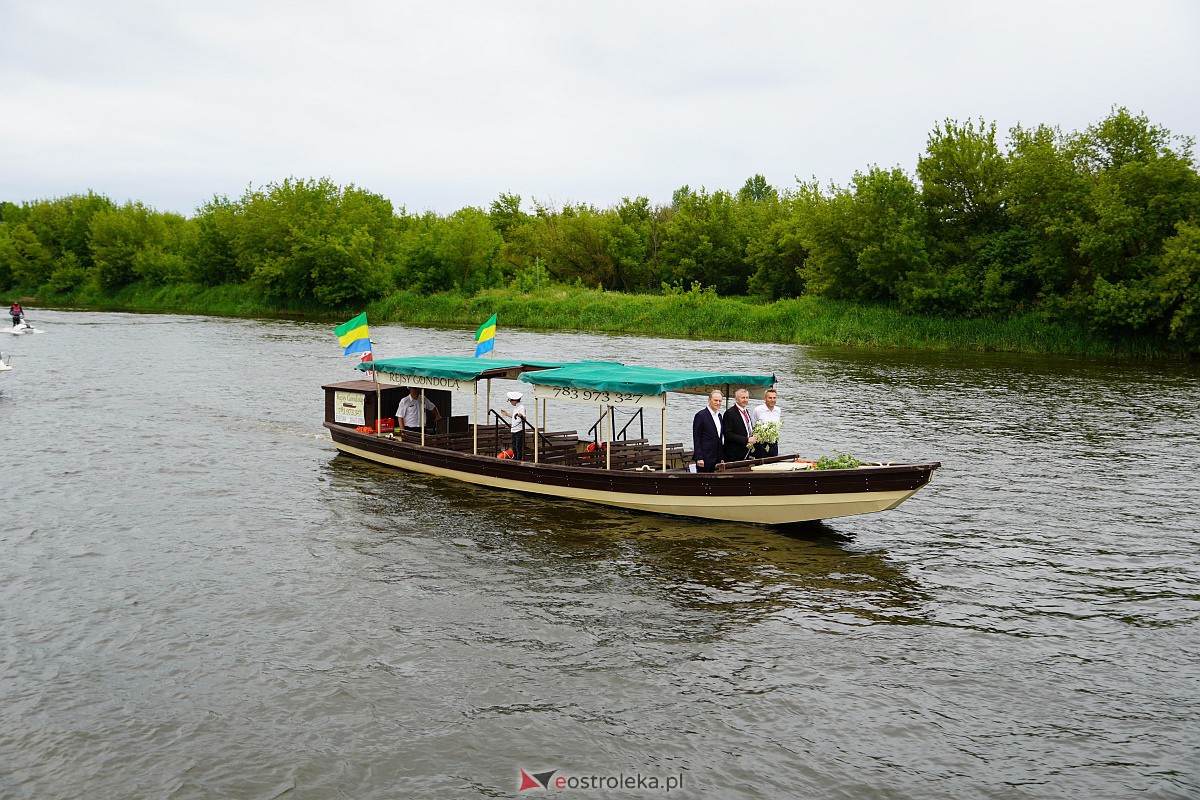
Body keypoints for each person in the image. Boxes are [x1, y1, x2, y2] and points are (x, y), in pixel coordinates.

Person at [691, 389, 724, 473]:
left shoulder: (719, 416)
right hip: (705, 458)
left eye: (720, 401)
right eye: (715, 400)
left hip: (716, 457)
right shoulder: (700, 415)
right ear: (709, 400)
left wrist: (721, 457)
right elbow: (697, 438)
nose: (718, 403)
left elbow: (719, 438)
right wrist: (699, 457)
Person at [722, 388, 758, 463]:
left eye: (747, 397)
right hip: (734, 454)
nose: (745, 400)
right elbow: (728, 434)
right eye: (743, 398)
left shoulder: (746, 411)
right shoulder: (730, 413)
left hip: (746, 452)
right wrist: (746, 440)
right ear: (736, 399)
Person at [752, 387, 782, 459]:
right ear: (765, 399)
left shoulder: (778, 410)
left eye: (774, 398)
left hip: (773, 443)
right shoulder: (758, 410)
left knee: (773, 464)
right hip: (761, 444)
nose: (772, 400)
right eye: (770, 398)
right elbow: (753, 426)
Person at [500, 391, 527, 460]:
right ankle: (515, 459)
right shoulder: (516, 408)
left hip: (519, 430)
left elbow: (524, 418)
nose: (510, 402)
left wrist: (521, 416)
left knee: (518, 446)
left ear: (515, 400)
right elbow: (514, 417)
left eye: (511, 400)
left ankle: (518, 460)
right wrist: (507, 414)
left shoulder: (521, 408)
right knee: (514, 446)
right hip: (514, 430)